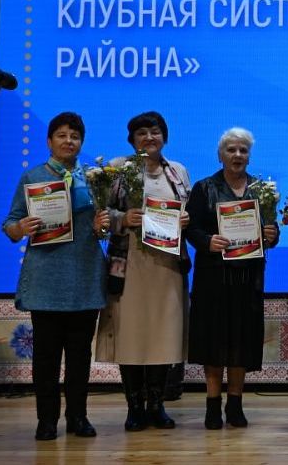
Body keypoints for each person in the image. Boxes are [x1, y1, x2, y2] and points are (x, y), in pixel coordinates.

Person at [2, 112, 108, 440]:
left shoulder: (94, 178)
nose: (68, 141)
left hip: (85, 275)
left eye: (74, 136)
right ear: (49, 141)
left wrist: (103, 224)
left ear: (81, 142)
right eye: (61, 135)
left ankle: (78, 417)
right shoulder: (32, 176)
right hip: (46, 279)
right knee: (46, 357)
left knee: (80, 356)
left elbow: (108, 223)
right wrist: (21, 228)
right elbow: (10, 225)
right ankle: (46, 420)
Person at [95, 111, 191, 432]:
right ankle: (134, 407)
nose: (149, 137)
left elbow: (186, 211)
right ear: (132, 140)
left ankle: (157, 404)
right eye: (141, 133)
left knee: (164, 334)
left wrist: (186, 219)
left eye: (155, 131)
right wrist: (122, 218)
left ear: (165, 136)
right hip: (129, 263)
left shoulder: (177, 172)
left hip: (167, 264)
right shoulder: (118, 168)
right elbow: (100, 213)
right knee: (131, 335)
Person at [185, 128, 279, 430]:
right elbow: (190, 228)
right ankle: (212, 404)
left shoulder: (262, 190)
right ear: (220, 155)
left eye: (243, 150)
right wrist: (206, 241)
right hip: (213, 277)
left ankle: (235, 403)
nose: (237, 155)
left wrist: (272, 234)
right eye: (231, 150)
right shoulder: (204, 187)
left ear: (249, 156)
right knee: (213, 342)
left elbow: (271, 231)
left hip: (248, 277)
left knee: (242, 342)